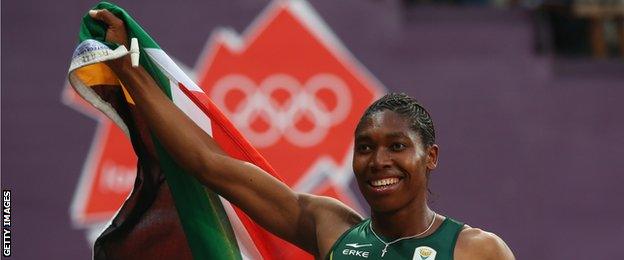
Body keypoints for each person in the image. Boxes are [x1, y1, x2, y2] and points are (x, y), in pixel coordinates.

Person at [89, 9, 515, 260]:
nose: (378, 161)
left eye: (397, 146)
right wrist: (130, 72)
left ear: (431, 157)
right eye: (365, 147)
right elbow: (209, 164)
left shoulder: (475, 250)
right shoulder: (329, 227)